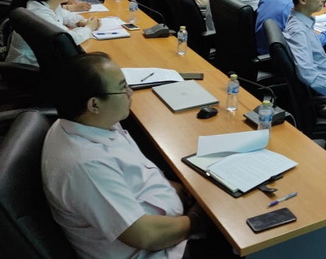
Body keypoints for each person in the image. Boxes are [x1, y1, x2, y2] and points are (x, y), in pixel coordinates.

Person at [42, 52, 207, 258]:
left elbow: (135, 173)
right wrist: (197, 220)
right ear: (94, 105)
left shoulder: (91, 122)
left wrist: (179, 189)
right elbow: (146, 236)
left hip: (170, 223)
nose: (130, 92)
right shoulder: (86, 166)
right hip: (158, 250)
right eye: (122, 88)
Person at [5, 0, 99, 66]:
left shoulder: (49, 3)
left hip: (44, 60)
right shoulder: (39, 12)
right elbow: (69, 40)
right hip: (30, 67)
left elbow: (66, 16)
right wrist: (89, 27)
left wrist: (81, 22)